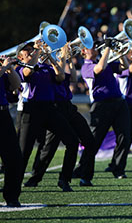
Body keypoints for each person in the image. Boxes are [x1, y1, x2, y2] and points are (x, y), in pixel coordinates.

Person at [24, 43, 96, 187]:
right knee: (49, 148)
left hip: (68, 106)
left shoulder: (57, 66)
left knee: (88, 141)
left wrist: (68, 59)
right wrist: (58, 57)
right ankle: (35, 178)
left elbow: (73, 78)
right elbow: (60, 76)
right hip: (55, 108)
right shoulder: (47, 68)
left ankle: (73, 177)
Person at [17, 41, 79, 192]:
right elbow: (28, 73)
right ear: (20, 56)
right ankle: (13, 183)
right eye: (27, 51)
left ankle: (64, 179)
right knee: (24, 150)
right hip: (32, 109)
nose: (30, 52)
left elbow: (61, 77)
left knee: (72, 141)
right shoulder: (20, 68)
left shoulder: (47, 68)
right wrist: (38, 51)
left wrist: (51, 58)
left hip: (50, 108)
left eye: (31, 49)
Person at [78, 38, 131, 179]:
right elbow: (99, 68)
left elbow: (125, 67)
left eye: (96, 46)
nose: (96, 48)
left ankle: (118, 169)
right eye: (92, 47)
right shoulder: (86, 67)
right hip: (101, 105)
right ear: (84, 51)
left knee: (124, 137)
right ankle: (83, 170)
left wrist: (120, 53)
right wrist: (107, 48)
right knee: (94, 141)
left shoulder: (105, 61)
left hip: (119, 103)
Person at [0, 56, 24, 207]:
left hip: (3, 114)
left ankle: (12, 196)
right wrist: (4, 67)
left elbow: (16, 85)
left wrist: (10, 69)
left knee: (14, 158)